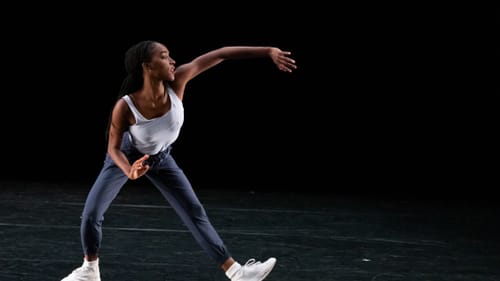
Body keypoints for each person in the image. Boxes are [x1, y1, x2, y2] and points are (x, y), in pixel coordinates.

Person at [60, 40, 297, 281]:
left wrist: (268, 51)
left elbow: (221, 54)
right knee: (91, 214)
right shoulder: (125, 106)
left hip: (161, 156)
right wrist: (129, 170)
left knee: (194, 211)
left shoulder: (179, 80)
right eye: (164, 56)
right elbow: (113, 148)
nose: (173, 61)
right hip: (128, 155)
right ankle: (89, 269)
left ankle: (237, 273)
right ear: (147, 66)